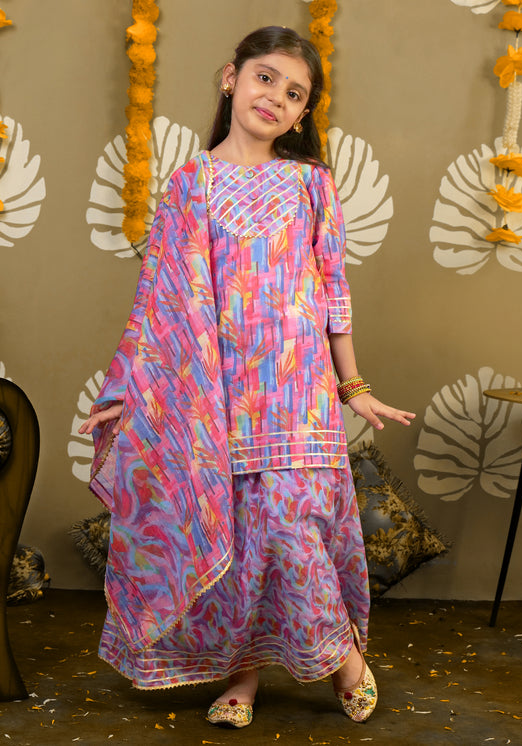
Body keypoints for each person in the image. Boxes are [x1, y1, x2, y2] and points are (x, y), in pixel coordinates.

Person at [79, 25, 415, 729]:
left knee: (293, 531)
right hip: (217, 394)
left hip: (297, 393)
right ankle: (243, 675)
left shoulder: (310, 183)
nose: (277, 98)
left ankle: (342, 660)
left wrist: (353, 385)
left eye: (295, 93)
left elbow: (333, 293)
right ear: (230, 78)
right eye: (265, 78)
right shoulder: (190, 183)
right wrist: (126, 393)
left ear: (302, 113)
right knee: (238, 539)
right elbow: (159, 300)